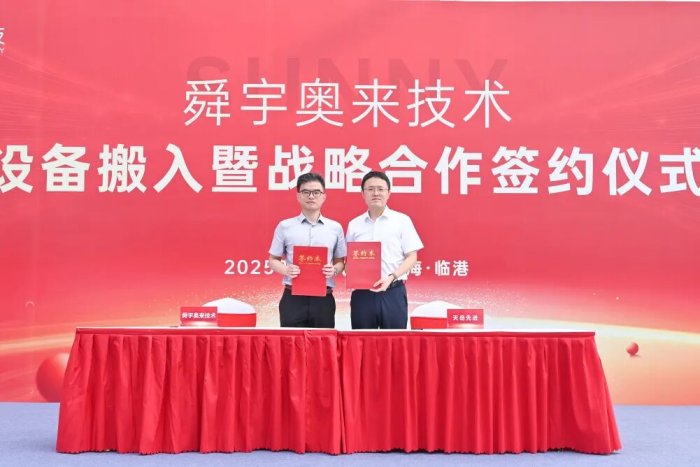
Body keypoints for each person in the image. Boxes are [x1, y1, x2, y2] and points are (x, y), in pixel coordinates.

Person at [346, 171, 423, 329]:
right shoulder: (354, 225)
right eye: (370, 189)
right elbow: (350, 259)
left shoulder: (402, 221)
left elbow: (412, 256)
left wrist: (391, 277)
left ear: (388, 193)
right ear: (363, 194)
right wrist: (350, 272)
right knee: (362, 341)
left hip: (393, 292)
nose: (376, 193)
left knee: (394, 341)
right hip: (363, 294)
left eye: (380, 189)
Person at [269, 173, 346, 328]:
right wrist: (286, 270)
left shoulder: (335, 228)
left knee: (323, 342)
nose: (311, 196)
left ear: (324, 196)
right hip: (293, 297)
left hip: (323, 298)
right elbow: (273, 260)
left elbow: (340, 262)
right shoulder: (285, 226)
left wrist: (334, 270)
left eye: (316, 192)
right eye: (306, 192)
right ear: (298, 196)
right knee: (291, 342)